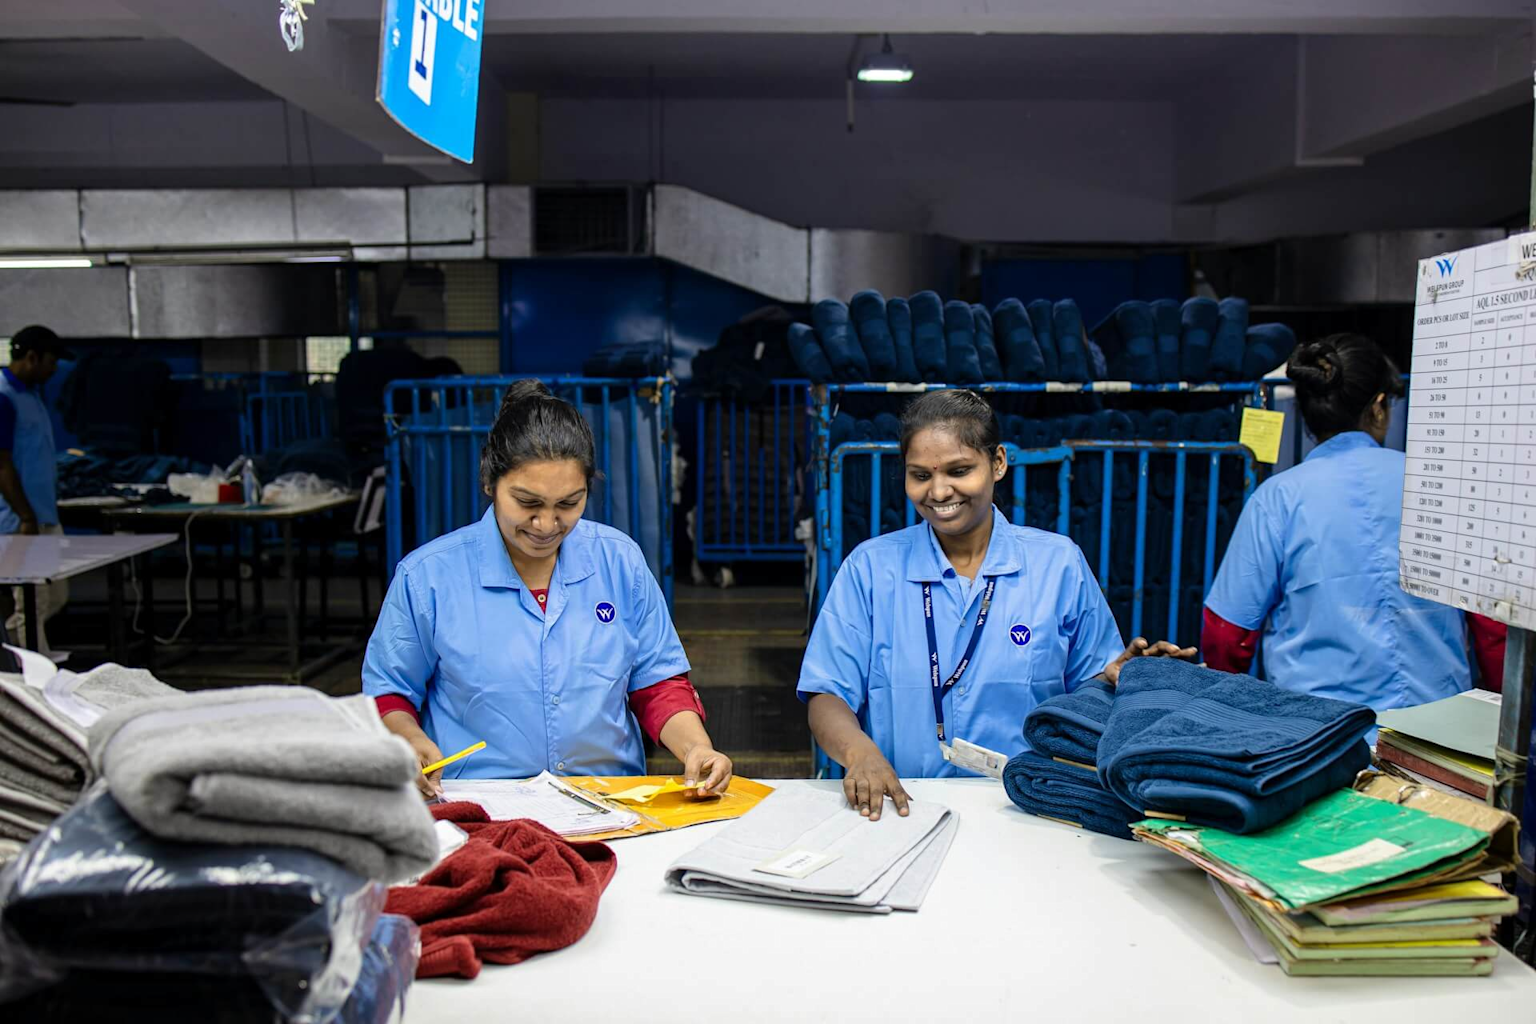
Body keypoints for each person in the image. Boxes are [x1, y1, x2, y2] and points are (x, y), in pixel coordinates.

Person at [799, 389, 1192, 819]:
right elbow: (827, 692)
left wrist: (1118, 680)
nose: (939, 491)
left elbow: (1092, 685)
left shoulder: (1056, 564)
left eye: (960, 470)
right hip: (900, 806)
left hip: (1030, 807)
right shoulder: (871, 569)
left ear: (998, 463)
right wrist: (860, 754)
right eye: (920, 475)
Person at [363, 379, 733, 796]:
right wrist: (408, 740)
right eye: (527, 503)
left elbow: (657, 684)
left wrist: (697, 748)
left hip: (609, 798)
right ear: (490, 482)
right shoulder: (428, 577)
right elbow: (389, 693)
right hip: (481, 800)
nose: (546, 525)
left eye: (568, 504)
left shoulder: (618, 561)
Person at [1202, 333, 1504, 708]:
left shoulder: (1277, 498)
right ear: (1379, 407)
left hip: (1314, 739)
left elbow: (1228, 634)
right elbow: (1493, 627)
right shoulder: (1442, 488)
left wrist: (1233, 714)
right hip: (1434, 736)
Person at [0, 326, 70, 652]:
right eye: (51, 361)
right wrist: (25, 517)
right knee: (32, 603)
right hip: (20, 520)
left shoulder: (31, 395)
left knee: (56, 595)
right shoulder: (3, 397)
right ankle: (39, 687)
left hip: (43, 514)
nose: (54, 369)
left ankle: (9, 655)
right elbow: (1, 464)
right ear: (32, 357)